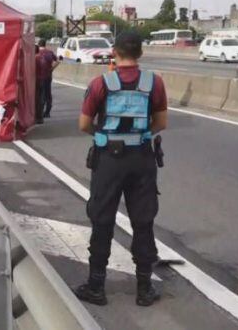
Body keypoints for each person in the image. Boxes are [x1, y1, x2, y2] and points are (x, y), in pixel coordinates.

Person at [74, 30, 168, 307]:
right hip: (142, 158)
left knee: (102, 219)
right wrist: (140, 136)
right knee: (143, 220)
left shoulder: (101, 83)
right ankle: (144, 288)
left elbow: (83, 124)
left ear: (114, 51)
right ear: (141, 53)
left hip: (109, 160)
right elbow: (161, 122)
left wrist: (103, 135)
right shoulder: (155, 83)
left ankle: (96, 287)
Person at [35, 39, 59, 123]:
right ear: (45, 44)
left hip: (38, 78)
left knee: (40, 96)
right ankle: (47, 112)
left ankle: (39, 113)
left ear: (38, 44)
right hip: (48, 76)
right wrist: (52, 69)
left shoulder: (37, 53)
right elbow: (58, 61)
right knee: (48, 94)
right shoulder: (50, 52)